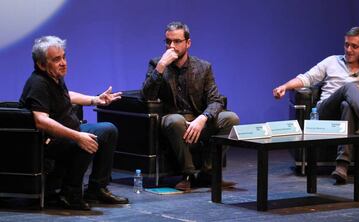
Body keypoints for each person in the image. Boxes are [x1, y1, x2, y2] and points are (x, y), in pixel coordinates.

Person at [272, 27, 359, 184]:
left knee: (347, 105)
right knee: (349, 87)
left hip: (352, 115)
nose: (349, 49)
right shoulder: (331, 61)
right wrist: (284, 86)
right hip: (326, 112)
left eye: (354, 46)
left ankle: (341, 167)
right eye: (346, 45)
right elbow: (306, 78)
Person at [20, 36, 129, 210]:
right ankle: (70, 194)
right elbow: (41, 121)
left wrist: (95, 100)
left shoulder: (54, 77)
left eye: (63, 57)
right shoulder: (38, 83)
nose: (63, 62)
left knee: (108, 130)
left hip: (70, 131)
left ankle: (97, 188)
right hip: (49, 142)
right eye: (56, 59)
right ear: (41, 64)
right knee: (88, 139)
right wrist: (77, 136)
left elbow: (67, 95)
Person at [142, 21, 240, 191]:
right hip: (172, 119)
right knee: (175, 120)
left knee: (231, 118)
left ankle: (207, 173)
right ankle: (187, 174)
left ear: (188, 43)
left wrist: (203, 118)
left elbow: (216, 100)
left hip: (198, 119)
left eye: (177, 41)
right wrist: (160, 67)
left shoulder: (203, 67)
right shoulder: (157, 64)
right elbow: (147, 96)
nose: (171, 46)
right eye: (168, 41)